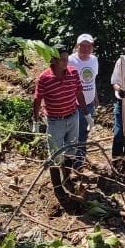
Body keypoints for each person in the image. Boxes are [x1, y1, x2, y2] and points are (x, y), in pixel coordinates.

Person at [32, 45, 93, 201]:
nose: (65, 62)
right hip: (55, 122)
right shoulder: (44, 78)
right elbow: (37, 99)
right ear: (52, 60)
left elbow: (79, 93)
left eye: (66, 58)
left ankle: (67, 179)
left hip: (73, 117)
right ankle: (57, 187)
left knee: (71, 150)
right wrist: (36, 121)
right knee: (54, 155)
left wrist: (86, 114)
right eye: (62, 59)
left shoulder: (73, 73)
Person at [68, 34, 99, 170]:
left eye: (89, 46)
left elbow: (92, 80)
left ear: (92, 47)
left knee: (84, 133)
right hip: (73, 103)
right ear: (77, 46)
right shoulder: (70, 60)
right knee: (73, 133)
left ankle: (79, 161)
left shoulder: (93, 60)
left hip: (89, 102)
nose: (86, 48)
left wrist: (95, 96)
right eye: (83, 45)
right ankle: (72, 161)